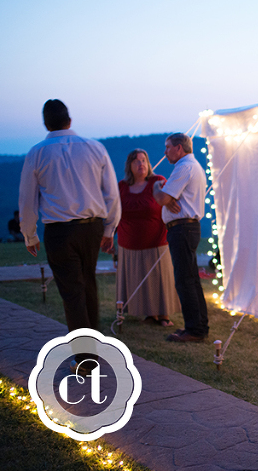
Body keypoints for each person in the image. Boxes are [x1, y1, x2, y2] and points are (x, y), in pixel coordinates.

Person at [19, 100, 121, 338]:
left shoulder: (37, 152)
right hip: (93, 227)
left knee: (72, 292)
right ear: (70, 120)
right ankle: (91, 348)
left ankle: (85, 359)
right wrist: (109, 230)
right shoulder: (95, 148)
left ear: (46, 124)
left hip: (59, 231)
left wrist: (29, 234)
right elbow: (112, 193)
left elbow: (27, 199)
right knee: (88, 286)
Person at [152, 133, 209, 342]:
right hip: (188, 228)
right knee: (191, 280)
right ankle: (200, 326)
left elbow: (162, 198)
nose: (165, 152)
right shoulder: (192, 166)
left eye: (168, 147)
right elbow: (168, 199)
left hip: (182, 228)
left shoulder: (184, 167)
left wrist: (157, 187)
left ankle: (194, 330)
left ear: (179, 148)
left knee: (185, 281)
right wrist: (168, 199)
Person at [117, 149, 180, 326]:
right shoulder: (121, 186)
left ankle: (164, 315)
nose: (141, 164)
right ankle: (149, 314)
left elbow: (170, 202)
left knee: (158, 278)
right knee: (139, 279)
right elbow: (114, 212)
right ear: (130, 165)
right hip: (128, 241)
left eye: (144, 160)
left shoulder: (157, 182)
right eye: (136, 161)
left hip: (156, 240)